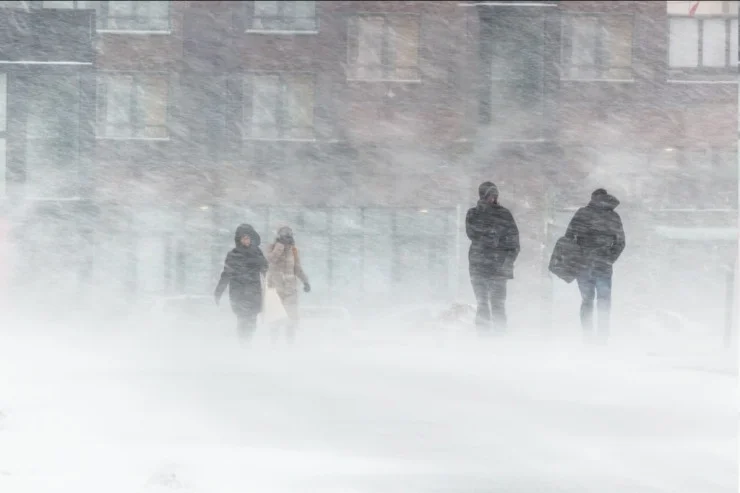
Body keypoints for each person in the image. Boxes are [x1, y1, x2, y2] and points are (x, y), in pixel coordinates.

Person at [565, 188, 626, 342]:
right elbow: (620, 242)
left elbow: (568, 238)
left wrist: (576, 256)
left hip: (583, 264)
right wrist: (609, 257)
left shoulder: (582, 214)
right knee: (604, 300)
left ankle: (588, 335)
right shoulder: (612, 216)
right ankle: (603, 336)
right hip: (603, 265)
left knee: (587, 300)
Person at [466, 182, 520, 333]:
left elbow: (514, 242)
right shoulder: (473, 213)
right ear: (483, 196)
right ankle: (483, 339)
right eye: (490, 195)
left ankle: (499, 339)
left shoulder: (504, 214)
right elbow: (472, 234)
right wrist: (494, 236)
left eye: (494, 195)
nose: (493, 198)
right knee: (482, 304)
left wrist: (507, 261)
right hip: (479, 267)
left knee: (497, 305)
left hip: (498, 268)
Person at [214, 224, 268, 343]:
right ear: (239, 239)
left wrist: (272, 285)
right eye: (243, 238)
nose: (246, 240)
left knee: (252, 320)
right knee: (242, 319)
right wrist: (219, 291)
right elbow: (226, 274)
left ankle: (248, 341)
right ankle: (243, 343)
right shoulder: (233, 255)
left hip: (254, 292)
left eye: (248, 238)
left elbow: (265, 270)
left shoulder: (257, 253)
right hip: (238, 293)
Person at [266, 226, 311, 343]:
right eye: (285, 236)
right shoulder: (272, 247)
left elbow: (297, 268)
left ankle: (290, 343)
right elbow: (270, 261)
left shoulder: (293, 250)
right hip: (275, 288)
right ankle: (273, 343)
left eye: (289, 236)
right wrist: (280, 246)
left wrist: (305, 281)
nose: (287, 238)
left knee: (291, 318)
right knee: (275, 318)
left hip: (290, 289)